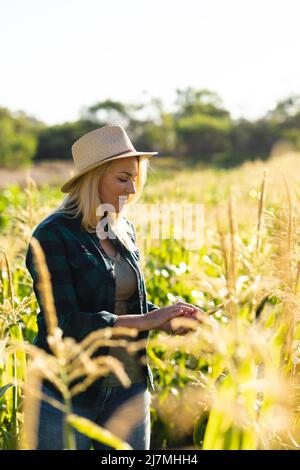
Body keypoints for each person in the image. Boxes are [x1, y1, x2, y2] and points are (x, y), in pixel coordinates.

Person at [25, 125, 201, 450]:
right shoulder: (52, 235)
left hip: (128, 389)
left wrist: (165, 317)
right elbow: (63, 322)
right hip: (66, 393)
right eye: (123, 178)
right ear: (93, 179)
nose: (133, 189)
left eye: (135, 178)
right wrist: (146, 321)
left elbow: (125, 306)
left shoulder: (122, 228)